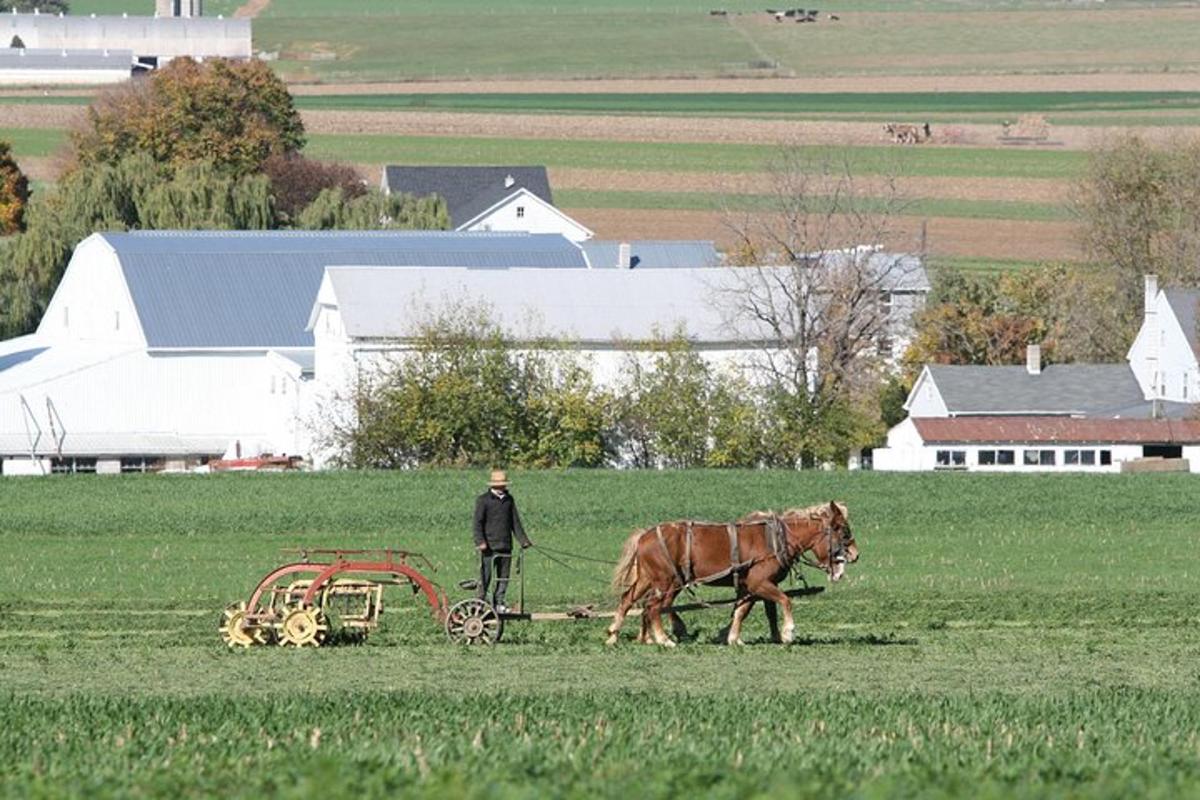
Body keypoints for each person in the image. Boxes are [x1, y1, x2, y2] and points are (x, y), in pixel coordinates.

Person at [472, 470, 532, 613]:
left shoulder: (509, 500)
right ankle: (480, 602)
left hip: (505, 545)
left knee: (503, 577)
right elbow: (477, 524)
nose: (502, 487)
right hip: (488, 547)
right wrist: (480, 541)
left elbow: (515, 523)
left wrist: (523, 540)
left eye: (503, 484)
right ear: (494, 485)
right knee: (485, 576)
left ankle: (499, 602)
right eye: (500, 484)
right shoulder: (483, 500)